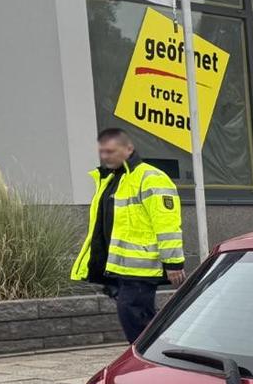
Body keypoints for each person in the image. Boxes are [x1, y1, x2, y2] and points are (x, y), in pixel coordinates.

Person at [69, 127, 186, 343]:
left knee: (134, 317)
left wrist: (173, 262)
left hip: (140, 267)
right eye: (102, 152)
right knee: (139, 318)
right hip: (118, 267)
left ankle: (154, 358)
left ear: (129, 148)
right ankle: (163, 351)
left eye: (110, 151)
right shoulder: (109, 180)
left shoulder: (151, 178)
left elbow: (167, 224)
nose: (105, 156)